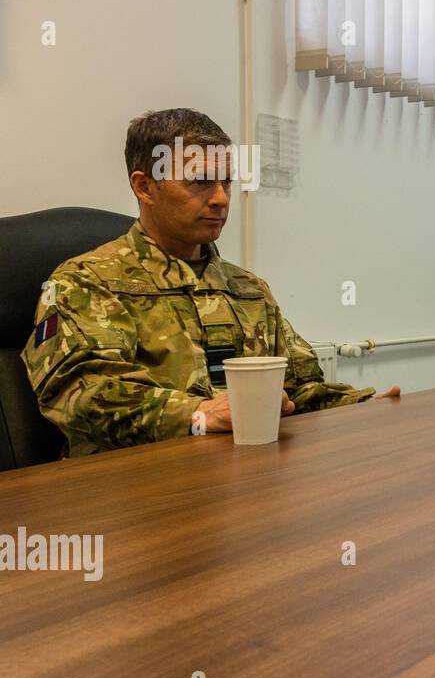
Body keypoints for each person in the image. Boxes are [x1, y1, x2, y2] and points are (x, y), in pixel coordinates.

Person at [22, 108, 399, 457]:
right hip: (133, 494)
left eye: (226, 182)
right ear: (145, 187)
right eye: (200, 182)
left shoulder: (248, 289)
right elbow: (80, 394)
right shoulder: (86, 283)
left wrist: (364, 409)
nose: (220, 199)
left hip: (245, 483)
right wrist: (199, 413)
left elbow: (301, 388)